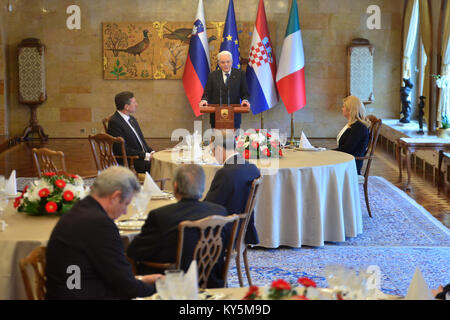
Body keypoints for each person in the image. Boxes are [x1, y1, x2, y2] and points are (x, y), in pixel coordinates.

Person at [45, 166, 163, 300]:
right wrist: (162, 288)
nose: (125, 212)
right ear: (116, 197)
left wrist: (141, 279)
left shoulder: (80, 209)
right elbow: (126, 288)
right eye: (126, 204)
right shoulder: (100, 224)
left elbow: (108, 273)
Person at [127, 164, 229, 288]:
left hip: (169, 284)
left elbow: (135, 252)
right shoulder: (220, 212)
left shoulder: (161, 216)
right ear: (203, 188)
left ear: (175, 186)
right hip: (211, 281)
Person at [204, 130, 261, 245]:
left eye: (213, 151)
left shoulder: (225, 173)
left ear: (219, 149)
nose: (213, 156)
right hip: (243, 227)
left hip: (225, 229)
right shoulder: (253, 168)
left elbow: (210, 206)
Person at [199, 51, 250, 129]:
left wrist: (245, 100)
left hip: (234, 116)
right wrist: (204, 100)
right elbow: (207, 93)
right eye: (223, 62)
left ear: (232, 62)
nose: (226, 64)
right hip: (216, 116)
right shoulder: (213, 75)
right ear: (219, 63)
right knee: (217, 140)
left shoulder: (240, 74)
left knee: (233, 140)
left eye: (228, 62)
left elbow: (245, 92)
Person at [107, 91, 154, 173]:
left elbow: (142, 141)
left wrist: (152, 152)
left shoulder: (132, 119)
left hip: (140, 157)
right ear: (126, 107)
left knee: (161, 162)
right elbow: (121, 149)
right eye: (134, 102)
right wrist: (146, 156)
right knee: (159, 166)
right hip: (130, 161)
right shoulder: (114, 122)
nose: (137, 104)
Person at [335, 96, 370, 175]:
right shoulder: (353, 124)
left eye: (343, 106)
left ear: (350, 110)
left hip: (351, 165)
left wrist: (328, 151)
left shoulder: (359, 127)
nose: (342, 109)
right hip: (345, 160)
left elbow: (347, 149)